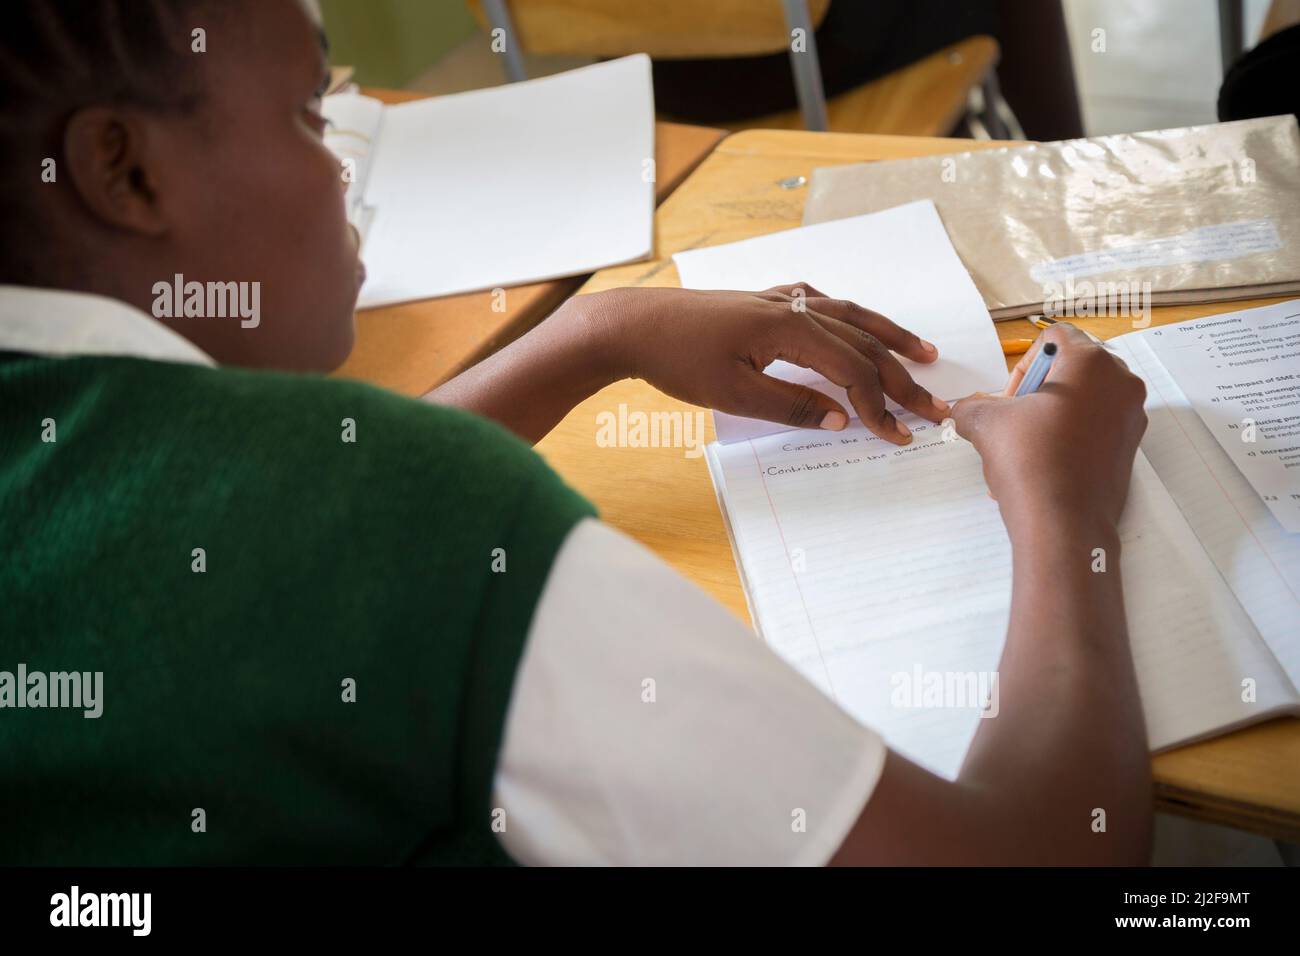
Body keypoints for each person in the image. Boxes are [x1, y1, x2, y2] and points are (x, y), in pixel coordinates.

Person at [0, 0, 1152, 865]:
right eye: (314, 112)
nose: (349, 167)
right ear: (121, 168)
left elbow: (266, 533)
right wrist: (1067, 507)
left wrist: (594, 334)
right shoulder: (425, 515)